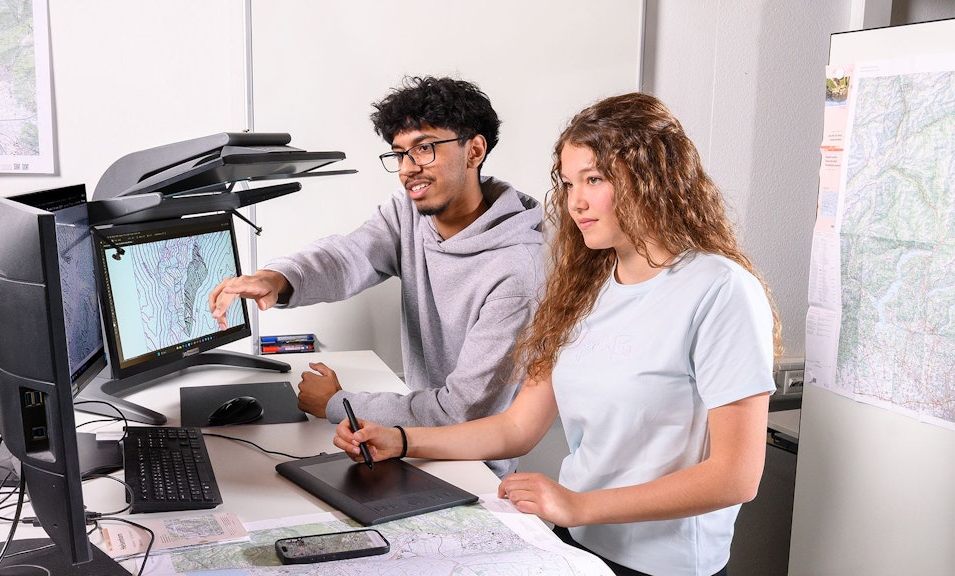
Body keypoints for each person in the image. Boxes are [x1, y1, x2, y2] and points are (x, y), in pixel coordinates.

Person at [334, 93, 782, 576]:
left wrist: (576, 506)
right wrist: (401, 440)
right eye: (569, 184)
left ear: (652, 180)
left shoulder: (720, 290)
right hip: (574, 544)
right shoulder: (583, 286)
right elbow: (516, 426)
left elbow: (735, 478)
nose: (577, 203)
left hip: (662, 563)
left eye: (595, 179)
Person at [209, 76, 544, 477]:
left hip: (471, 468)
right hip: (411, 442)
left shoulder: (518, 271)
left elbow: (462, 411)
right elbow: (351, 255)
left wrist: (338, 404)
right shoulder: (410, 214)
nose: (408, 169)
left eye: (424, 148)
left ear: (474, 150)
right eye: (399, 154)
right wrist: (277, 278)